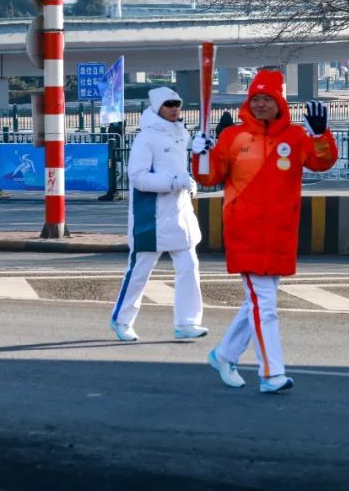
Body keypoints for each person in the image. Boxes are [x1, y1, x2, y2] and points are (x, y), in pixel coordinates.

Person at [192, 68, 337, 393]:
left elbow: (321, 162)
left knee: (258, 301)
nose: (259, 105)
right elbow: (209, 176)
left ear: (279, 102)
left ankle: (224, 354)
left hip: (280, 231)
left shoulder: (296, 137)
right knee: (265, 304)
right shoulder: (233, 137)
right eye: (255, 98)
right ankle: (271, 374)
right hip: (246, 230)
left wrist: (320, 133)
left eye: (266, 99)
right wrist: (200, 152)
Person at [110, 87, 206, 342]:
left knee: (189, 267)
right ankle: (122, 319)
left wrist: (193, 171)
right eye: (168, 104)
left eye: (177, 103)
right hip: (150, 217)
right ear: (157, 108)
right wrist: (175, 181)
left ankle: (187, 322)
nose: (174, 108)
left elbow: (181, 170)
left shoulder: (180, 134)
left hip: (180, 214)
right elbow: (138, 177)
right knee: (140, 271)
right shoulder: (146, 138)